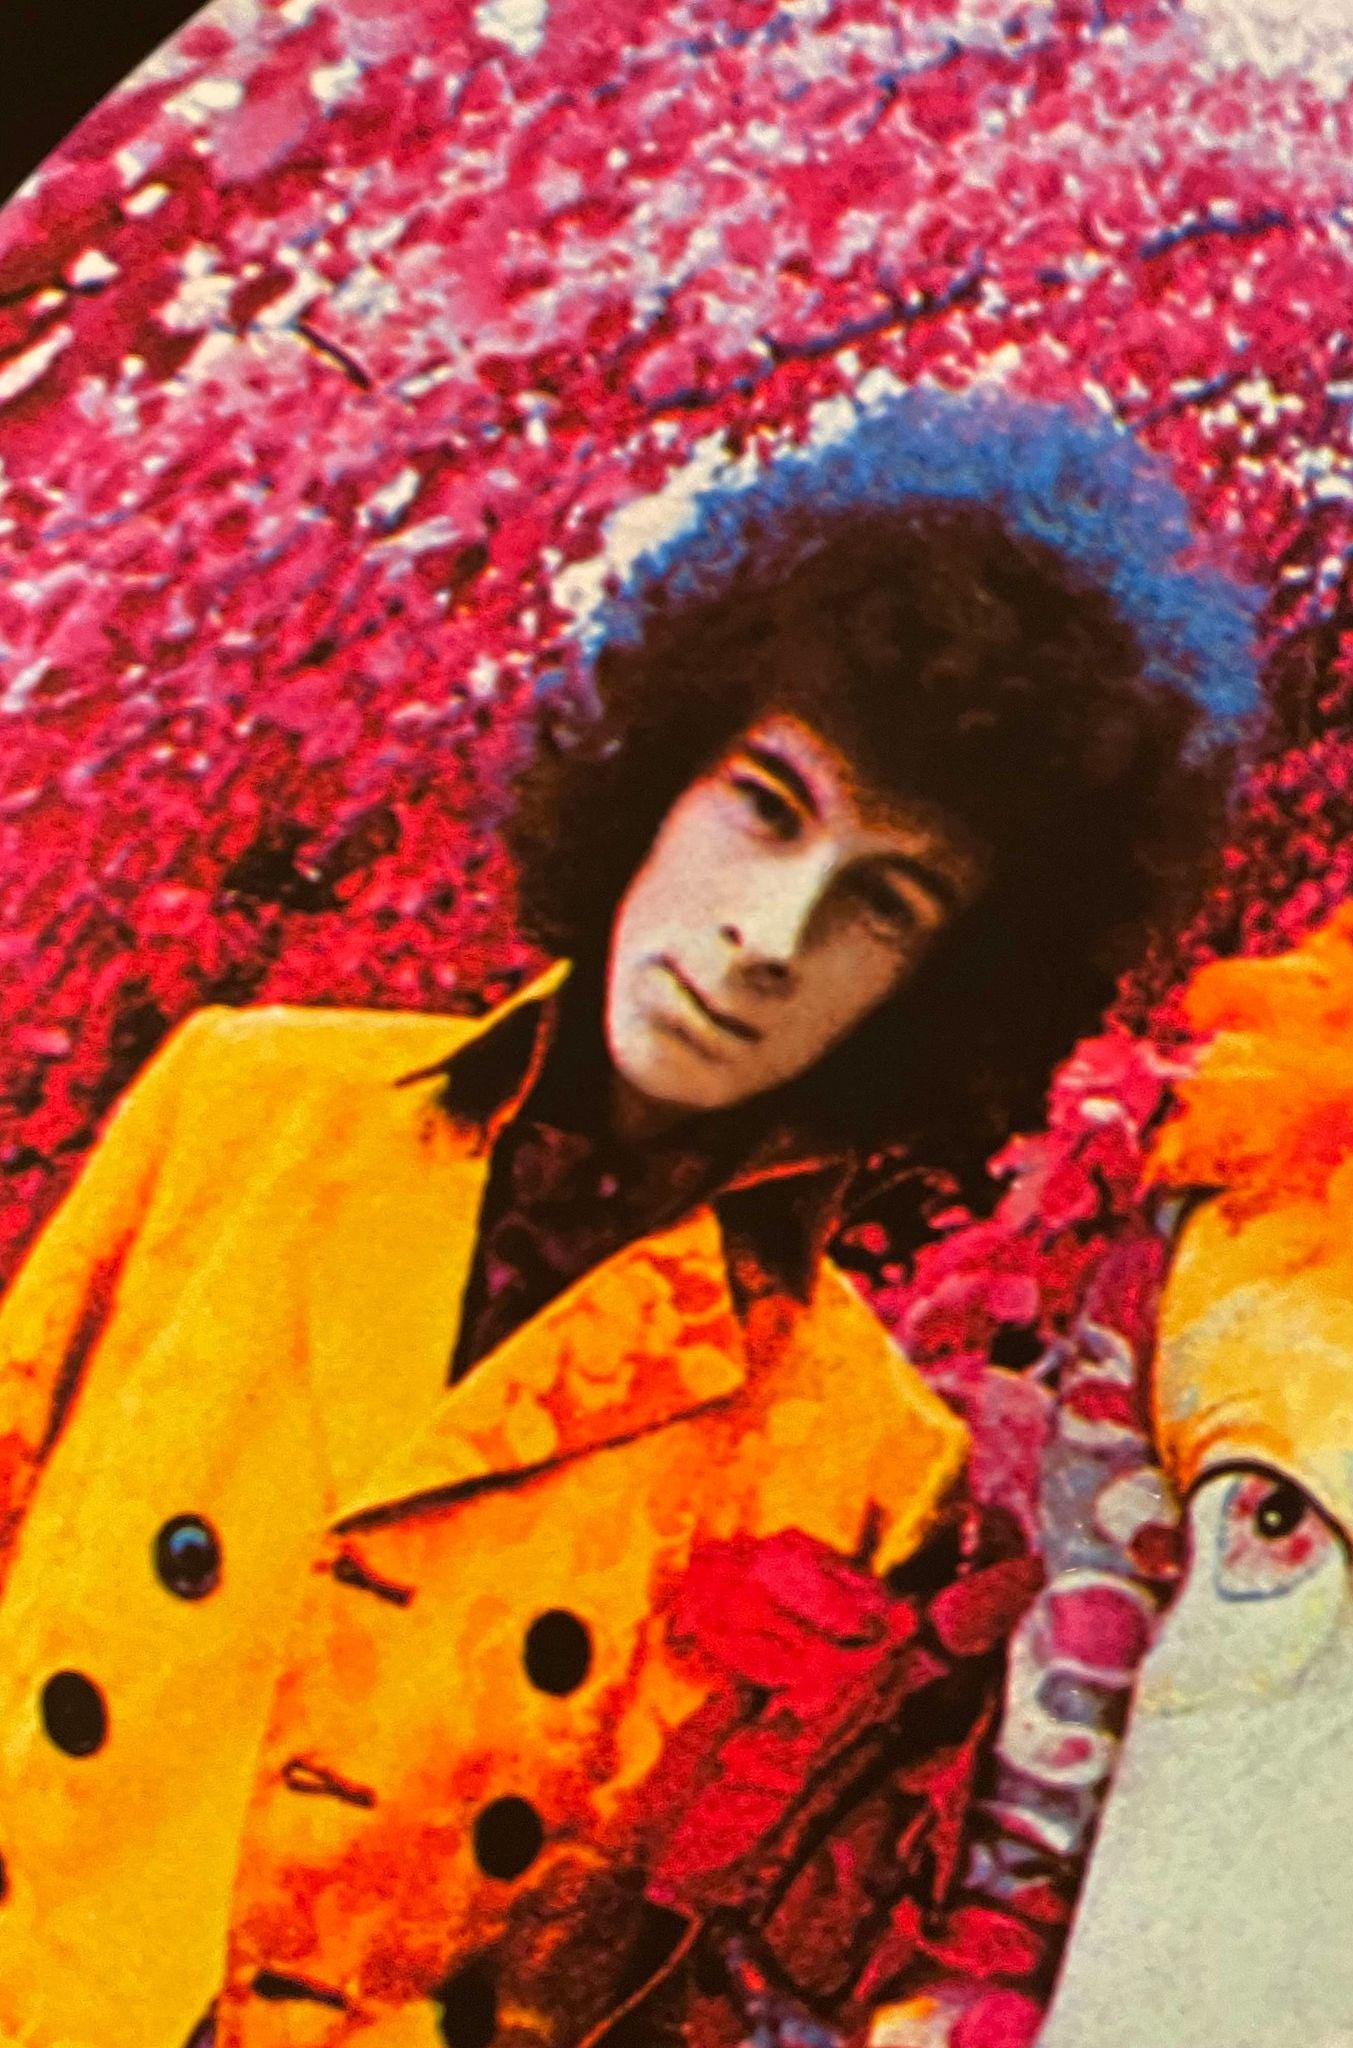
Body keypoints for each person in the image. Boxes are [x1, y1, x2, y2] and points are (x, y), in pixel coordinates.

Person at [0, 388, 1254, 2048]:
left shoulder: (866, 1460)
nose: (768, 937)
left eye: (883, 904)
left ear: (951, 984)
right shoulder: (245, 1106)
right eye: (766, 806)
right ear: (658, 771)